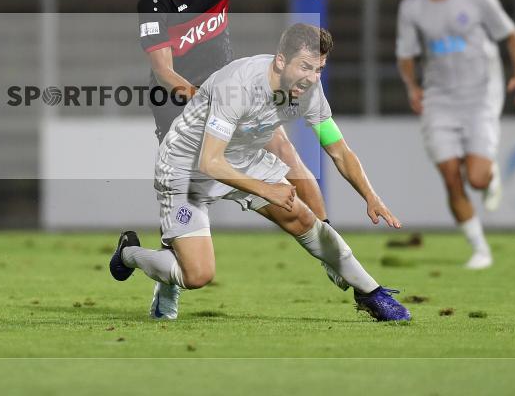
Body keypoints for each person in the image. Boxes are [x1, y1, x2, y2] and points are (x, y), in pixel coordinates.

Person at [113, 23, 412, 323]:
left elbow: (339, 150)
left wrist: (370, 196)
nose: (312, 78)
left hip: (243, 157)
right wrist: (268, 190)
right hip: (187, 165)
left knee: (302, 218)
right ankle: (130, 254)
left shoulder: (309, 90)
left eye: (319, 69)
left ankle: (371, 292)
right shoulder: (239, 84)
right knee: (197, 274)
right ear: (281, 60)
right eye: (305, 66)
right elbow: (210, 163)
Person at [138, 0, 348, 312]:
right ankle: (169, 280)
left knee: (288, 154)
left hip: (233, 99)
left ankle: (331, 250)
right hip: (179, 110)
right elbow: (163, 68)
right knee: (189, 194)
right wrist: (193, 92)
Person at [395, 0, 515, 270]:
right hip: (439, 99)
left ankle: (490, 174)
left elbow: (511, 35)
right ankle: (480, 248)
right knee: (451, 177)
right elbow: (406, 55)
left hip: (481, 95)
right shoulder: (411, 6)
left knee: (477, 179)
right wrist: (412, 87)